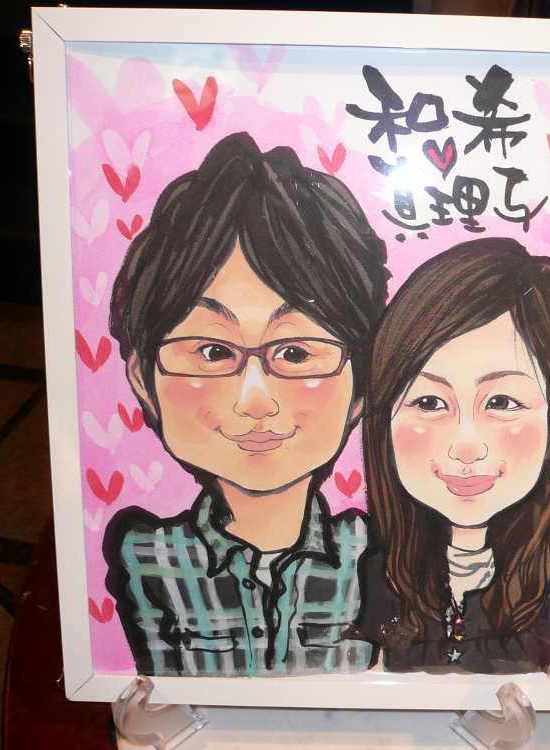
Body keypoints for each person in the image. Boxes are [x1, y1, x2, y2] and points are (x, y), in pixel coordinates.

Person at [103, 132, 388, 677]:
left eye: (296, 352)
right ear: (142, 376)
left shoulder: (382, 555)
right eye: (212, 351)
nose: (256, 401)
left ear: (363, 384)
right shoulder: (143, 557)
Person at [352, 238, 550, 673]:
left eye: (501, 402)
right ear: (385, 418)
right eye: (429, 403)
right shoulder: (373, 577)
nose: (465, 446)